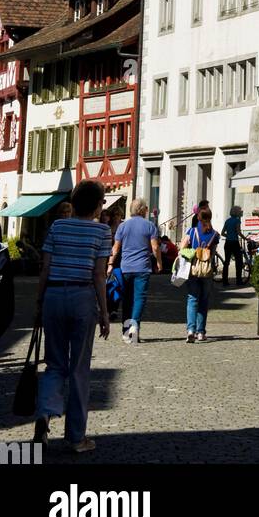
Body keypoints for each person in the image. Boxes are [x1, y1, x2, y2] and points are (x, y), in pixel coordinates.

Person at [32, 179, 111, 453]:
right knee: (79, 369)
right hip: (82, 298)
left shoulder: (57, 225)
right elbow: (99, 275)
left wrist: (40, 302)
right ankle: (76, 438)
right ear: (97, 206)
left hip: (54, 295)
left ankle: (44, 412)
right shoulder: (102, 232)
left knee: (54, 364)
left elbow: (45, 268)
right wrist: (104, 312)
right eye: (102, 202)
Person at [107, 197, 161, 343]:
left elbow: (116, 248)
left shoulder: (122, 227)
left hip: (126, 268)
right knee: (139, 298)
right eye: (146, 208)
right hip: (143, 267)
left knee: (127, 300)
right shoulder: (150, 226)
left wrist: (110, 263)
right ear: (142, 209)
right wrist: (159, 263)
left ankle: (126, 333)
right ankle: (135, 326)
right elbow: (155, 247)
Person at [181, 207, 219, 342]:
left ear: (198, 218)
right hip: (207, 271)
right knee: (204, 300)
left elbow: (182, 248)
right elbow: (213, 253)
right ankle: (201, 332)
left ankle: (191, 329)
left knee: (192, 299)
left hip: (193, 269)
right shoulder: (215, 234)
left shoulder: (192, 231)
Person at [220, 206, 245, 287]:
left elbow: (222, 233)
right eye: (240, 211)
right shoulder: (237, 221)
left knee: (226, 262)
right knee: (239, 261)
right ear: (237, 212)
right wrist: (245, 238)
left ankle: (225, 281)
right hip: (235, 243)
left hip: (227, 243)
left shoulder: (227, 221)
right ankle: (238, 280)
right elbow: (238, 232)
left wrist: (228, 235)